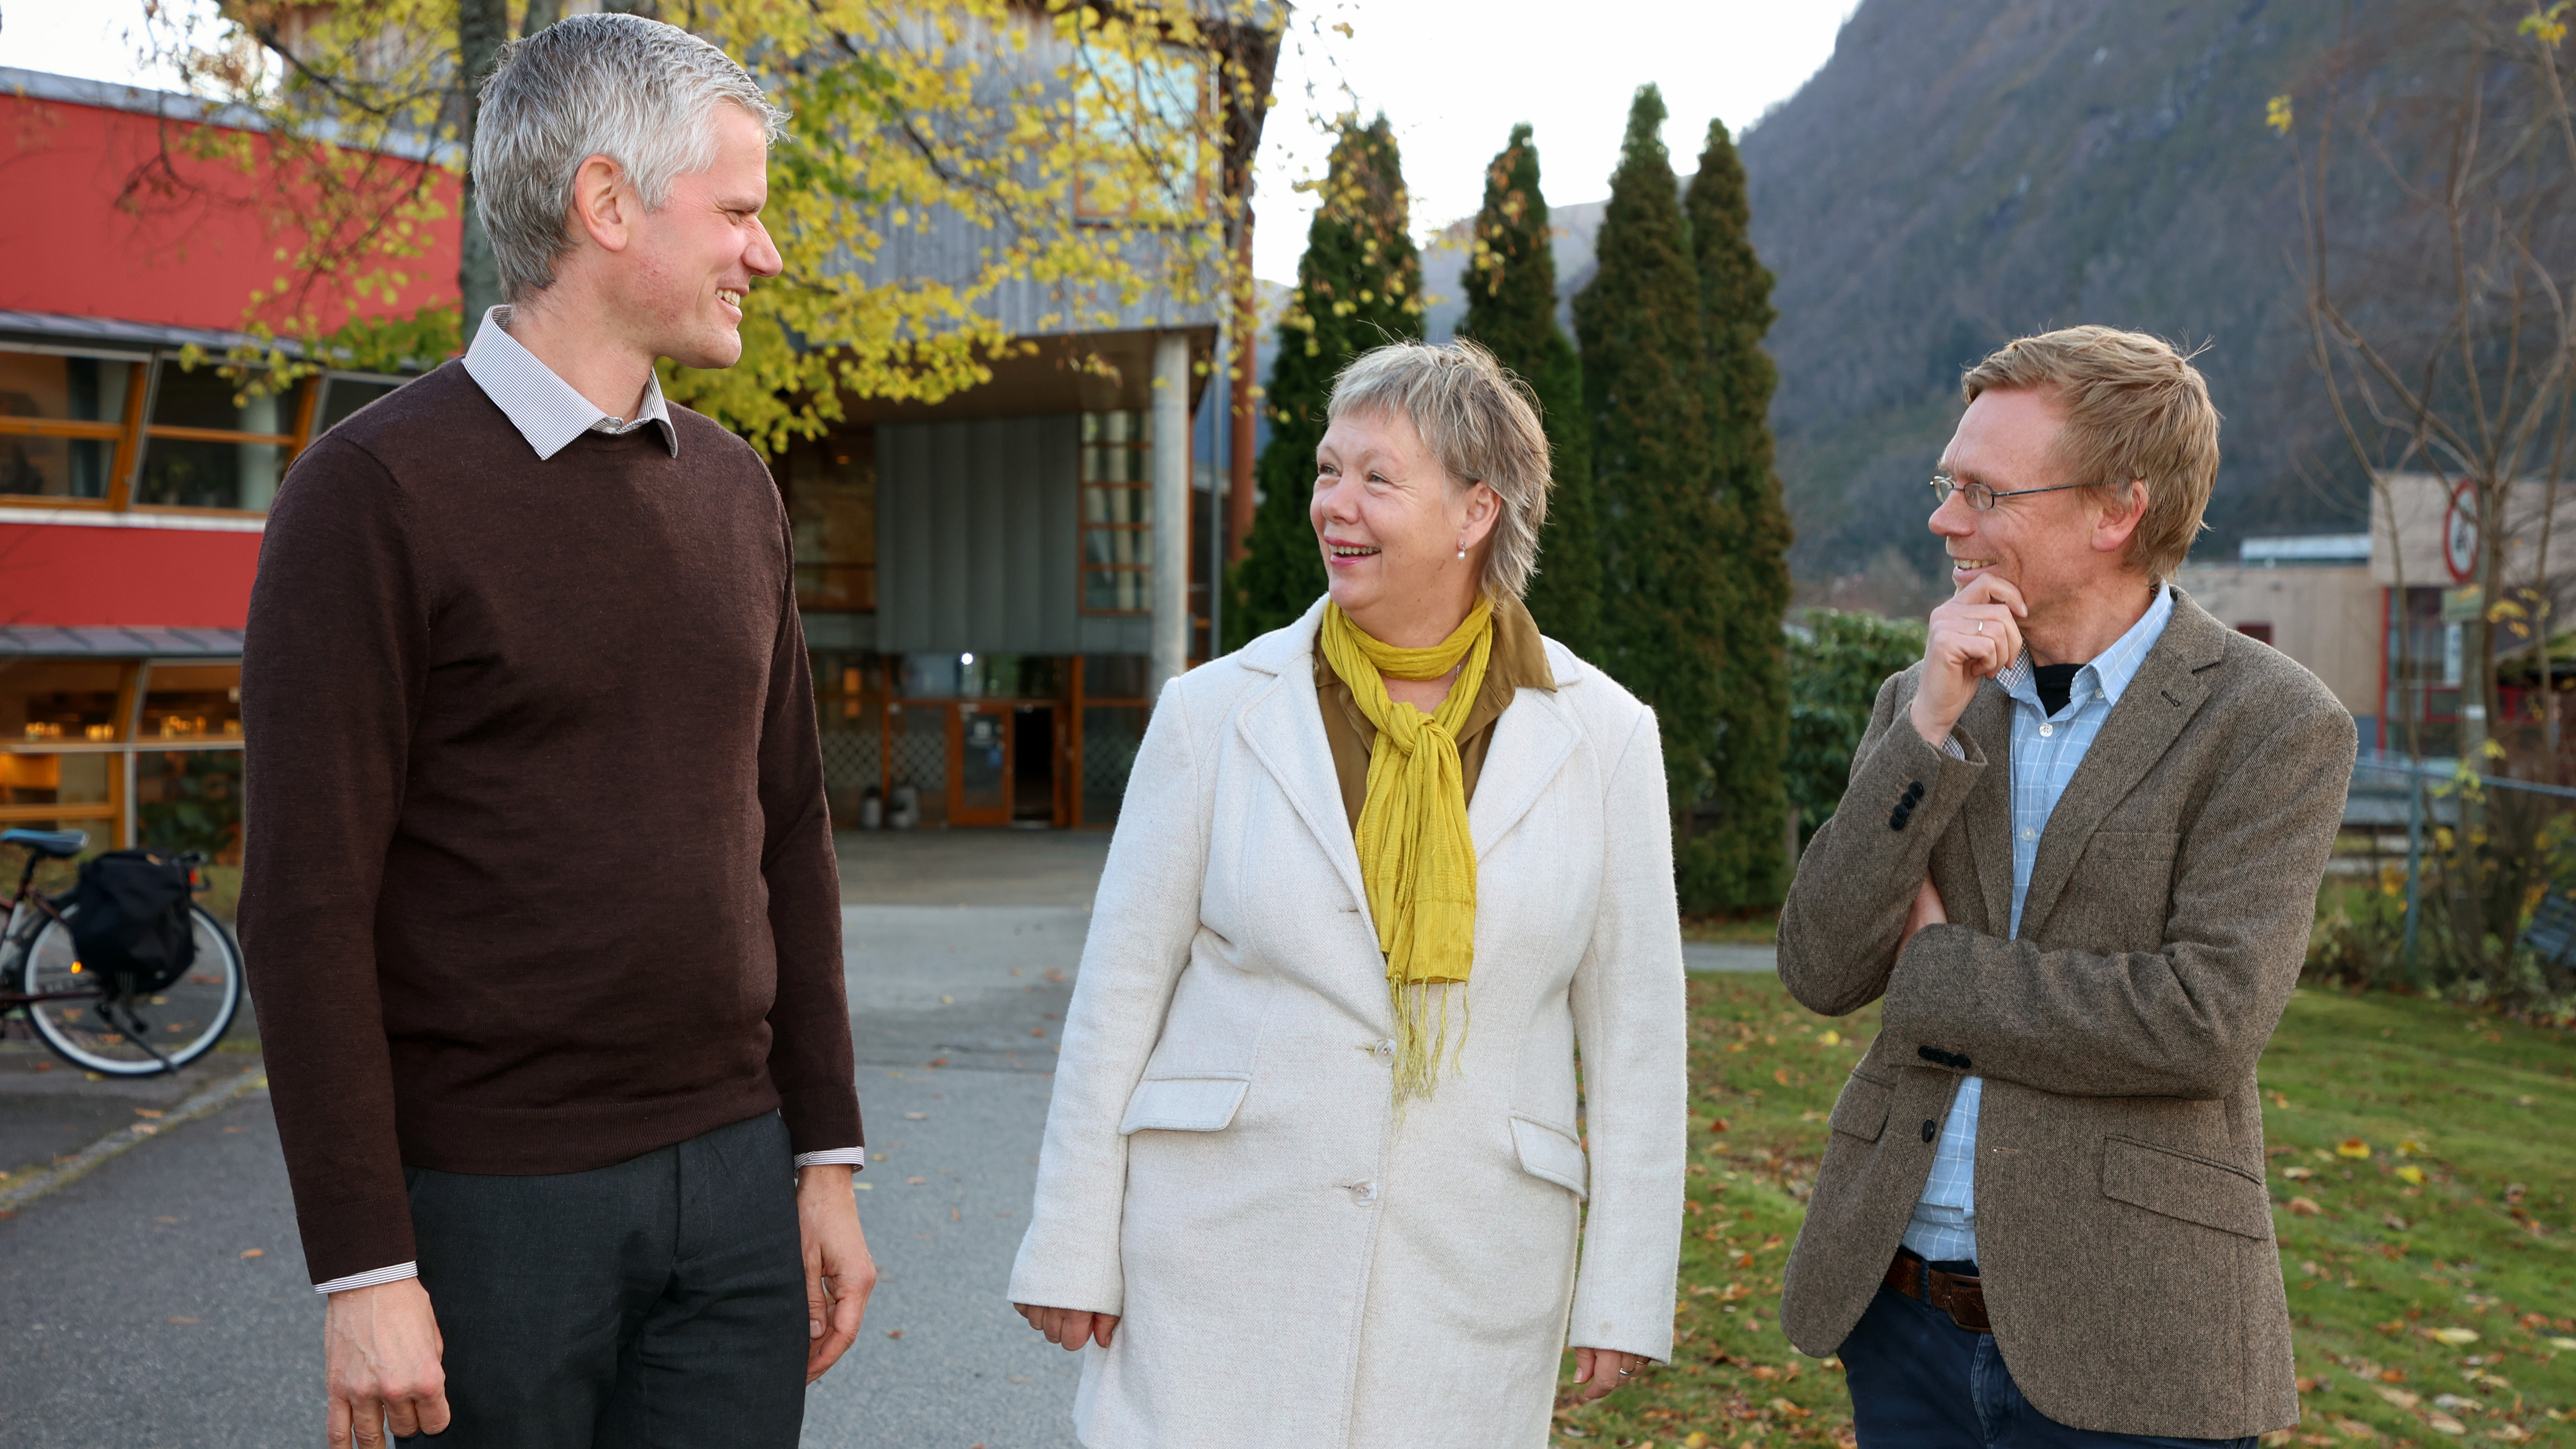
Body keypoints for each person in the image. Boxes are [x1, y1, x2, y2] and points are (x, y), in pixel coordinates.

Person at [238, 16, 873, 1448]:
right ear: (606, 204)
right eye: (737, 211)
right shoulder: (369, 495)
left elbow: (790, 832)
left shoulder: (738, 492)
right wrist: (365, 1264)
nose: (761, 253)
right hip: (486, 1210)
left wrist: (822, 1158)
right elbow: (304, 904)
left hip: (734, 1190)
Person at [1005, 339, 1686, 1448]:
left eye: (1377, 478)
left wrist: (1622, 1288)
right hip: (1218, 1248)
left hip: (1471, 1265)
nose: (1336, 506)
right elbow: (1119, 996)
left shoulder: (1604, 736)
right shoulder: (1213, 713)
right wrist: (1071, 1244)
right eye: (1328, 471)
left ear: (1476, 513)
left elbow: (1637, 1040)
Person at [1775, 326, 2357, 1449]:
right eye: (1948, 484)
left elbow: (2201, 1021)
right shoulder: (1922, 697)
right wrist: (1930, 729)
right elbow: (1819, 963)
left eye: (1983, 493)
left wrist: (1939, 974)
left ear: (2115, 510)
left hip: (2134, 1337)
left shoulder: (2274, 724)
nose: (1946, 519)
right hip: (1897, 1308)